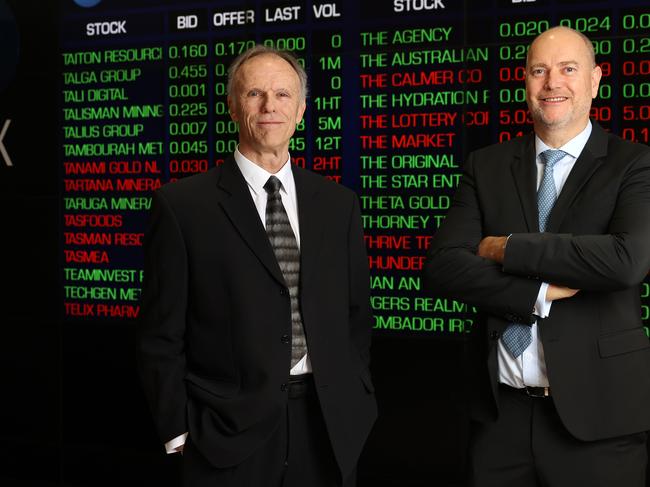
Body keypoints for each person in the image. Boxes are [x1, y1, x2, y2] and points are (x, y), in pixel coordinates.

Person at [137, 45, 377, 487]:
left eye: (284, 95)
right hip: (225, 434)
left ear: (302, 109)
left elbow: (355, 316)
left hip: (327, 428)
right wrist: (178, 431)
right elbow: (160, 334)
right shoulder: (182, 206)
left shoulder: (339, 204)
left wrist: (355, 397)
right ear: (232, 105)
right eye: (255, 94)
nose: (270, 106)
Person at [424, 26, 650, 486]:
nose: (553, 83)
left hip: (598, 423)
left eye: (569, 69)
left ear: (595, 81)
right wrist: (540, 291)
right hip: (497, 417)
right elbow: (444, 267)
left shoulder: (634, 163)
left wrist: (506, 247)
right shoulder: (485, 166)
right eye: (539, 71)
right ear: (525, 82)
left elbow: (626, 260)